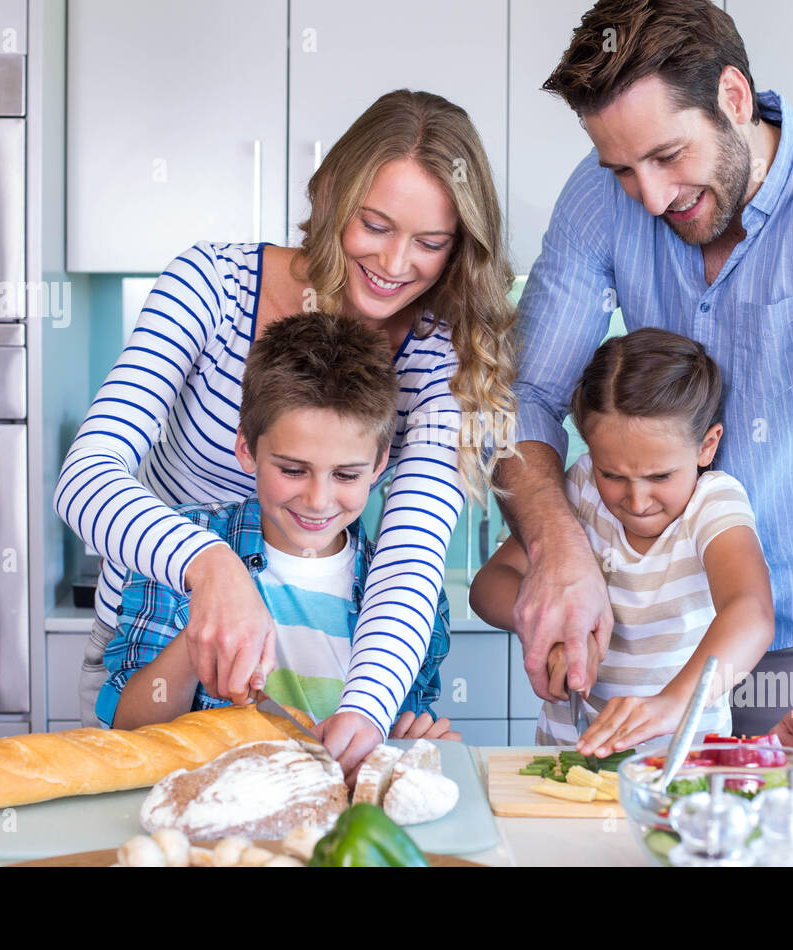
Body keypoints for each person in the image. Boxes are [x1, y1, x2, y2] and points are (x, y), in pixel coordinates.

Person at [499, 0, 793, 777]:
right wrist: (560, 552)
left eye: (669, 156)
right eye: (623, 169)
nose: (650, 196)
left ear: (734, 98)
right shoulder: (599, 199)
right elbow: (524, 397)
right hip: (647, 654)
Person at [54, 90, 517, 779]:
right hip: (160, 637)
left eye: (429, 243)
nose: (395, 263)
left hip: (330, 672)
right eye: (375, 224)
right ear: (330, 193)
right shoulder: (211, 283)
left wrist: (363, 712)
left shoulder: (439, 355)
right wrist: (210, 567)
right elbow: (86, 479)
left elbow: (412, 557)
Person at [103, 314, 459, 761]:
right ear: (247, 450)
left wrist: (415, 749)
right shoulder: (181, 550)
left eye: (346, 474)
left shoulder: (410, 595)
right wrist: (199, 640)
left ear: (380, 463)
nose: (317, 499)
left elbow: (388, 741)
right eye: (293, 470)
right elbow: (130, 729)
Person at [470, 329, 773, 754]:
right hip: (566, 756)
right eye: (612, 474)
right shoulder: (580, 491)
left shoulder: (714, 503)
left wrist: (671, 705)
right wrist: (557, 632)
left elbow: (752, 613)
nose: (636, 500)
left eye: (660, 476)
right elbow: (487, 587)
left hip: (681, 763)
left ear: (706, 446)